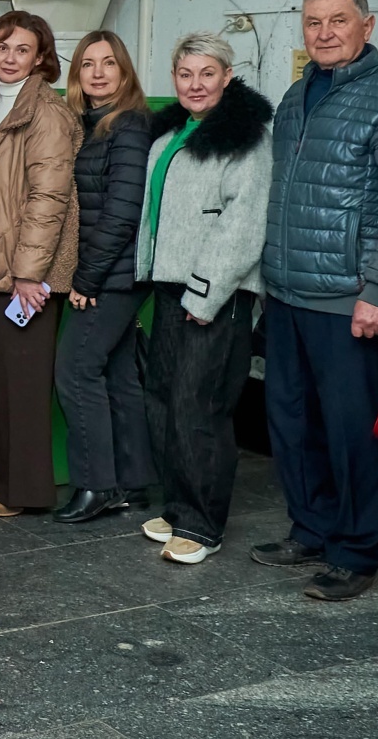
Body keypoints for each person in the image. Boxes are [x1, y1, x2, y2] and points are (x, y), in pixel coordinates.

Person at [255, 0, 378, 599]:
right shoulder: (296, 95)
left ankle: (356, 551)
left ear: (367, 26)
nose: (324, 33)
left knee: (353, 433)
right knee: (294, 423)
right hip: (287, 290)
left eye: (338, 20)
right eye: (313, 22)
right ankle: (312, 529)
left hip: (350, 297)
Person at [136, 33, 272, 564]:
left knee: (201, 407)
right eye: (185, 74)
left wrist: (206, 292)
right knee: (165, 399)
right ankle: (178, 508)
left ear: (227, 77)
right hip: (172, 286)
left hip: (216, 293)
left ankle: (201, 525)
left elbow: (243, 225)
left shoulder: (247, 137)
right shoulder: (172, 133)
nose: (195, 84)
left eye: (207, 73)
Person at [0, 11, 81, 517]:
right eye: (3, 47)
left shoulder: (47, 112)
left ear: (40, 57)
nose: (10, 58)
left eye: (22, 49)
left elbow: (48, 199)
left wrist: (30, 274)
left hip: (23, 271)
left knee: (21, 387)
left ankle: (23, 491)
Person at [53, 31, 155, 524]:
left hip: (112, 274)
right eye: (88, 64)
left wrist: (87, 279)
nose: (97, 72)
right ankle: (132, 482)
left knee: (75, 371)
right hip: (114, 271)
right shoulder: (92, 125)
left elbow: (121, 212)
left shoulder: (128, 126)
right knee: (118, 374)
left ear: (124, 71)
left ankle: (97, 485)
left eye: (108, 62)